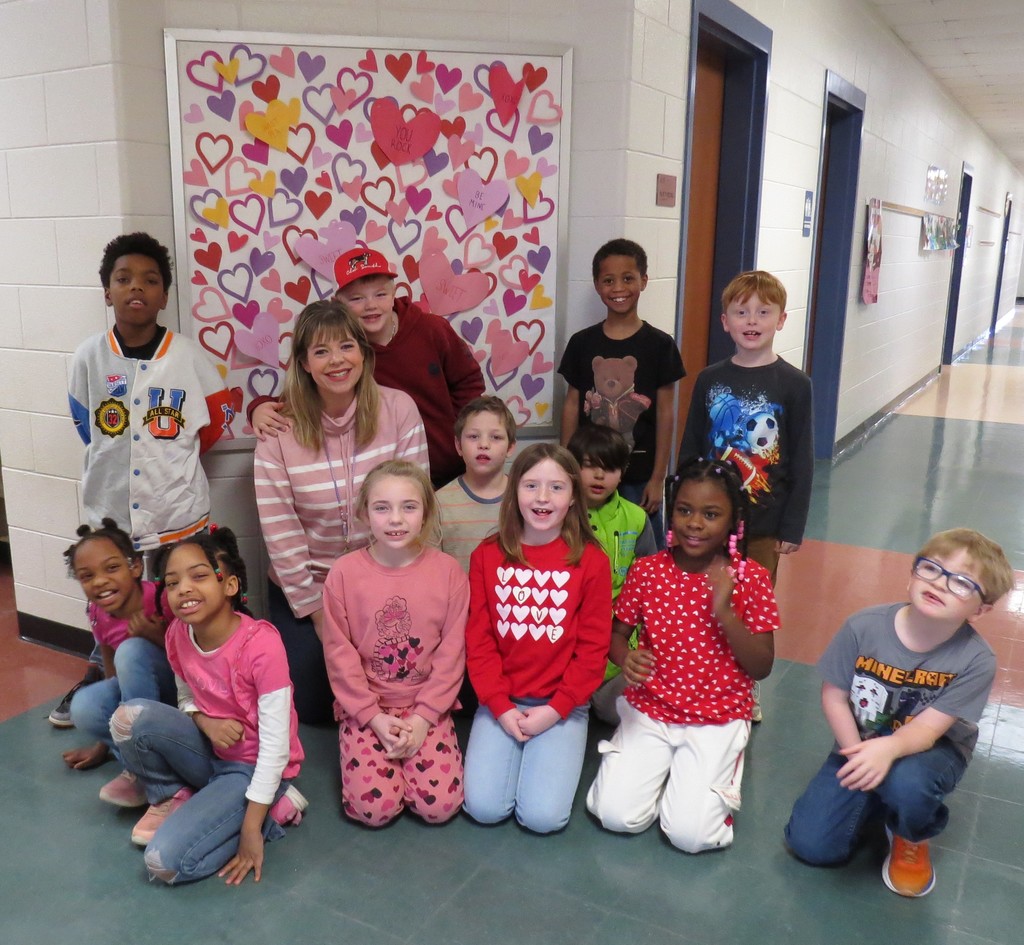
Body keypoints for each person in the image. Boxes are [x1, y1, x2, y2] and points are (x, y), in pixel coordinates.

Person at [61, 231, 239, 724]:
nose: (136, 288)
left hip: (176, 516)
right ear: (107, 291)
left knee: (178, 610)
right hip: (112, 519)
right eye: (123, 279)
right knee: (112, 609)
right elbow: (86, 424)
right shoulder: (88, 358)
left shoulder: (188, 356)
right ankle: (110, 681)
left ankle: (192, 698)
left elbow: (213, 424)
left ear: (164, 295)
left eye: (150, 280)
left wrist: (165, 459)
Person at [784, 528, 1013, 898]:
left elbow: (927, 729)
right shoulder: (863, 626)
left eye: (962, 583)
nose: (941, 584)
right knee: (812, 847)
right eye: (933, 569)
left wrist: (887, 752)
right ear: (912, 573)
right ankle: (880, 793)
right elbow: (834, 696)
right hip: (861, 740)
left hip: (933, 748)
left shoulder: (976, 660)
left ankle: (912, 831)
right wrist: (856, 754)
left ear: (981, 609)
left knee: (908, 783)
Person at [586, 458, 777, 853]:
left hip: (716, 716)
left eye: (711, 514)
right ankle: (667, 777)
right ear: (671, 512)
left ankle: (702, 781)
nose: (694, 523)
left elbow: (762, 666)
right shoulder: (646, 571)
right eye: (685, 510)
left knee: (692, 837)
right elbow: (617, 634)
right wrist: (625, 658)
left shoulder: (750, 578)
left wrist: (725, 612)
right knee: (614, 815)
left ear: (732, 520)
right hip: (652, 709)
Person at [254, 300, 428, 724]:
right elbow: (283, 538)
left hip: (385, 578)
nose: (337, 361)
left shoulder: (398, 409)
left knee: (397, 684)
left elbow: (415, 504)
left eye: (347, 347)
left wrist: (386, 593)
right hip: (311, 586)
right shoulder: (279, 432)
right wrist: (320, 616)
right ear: (304, 364)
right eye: (321, 351)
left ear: (364, 355)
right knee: (314, 706)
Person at [109, 528, 306, 886]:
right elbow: (186, 698)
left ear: (230, 586)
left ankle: (270, 810)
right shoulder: (177, 634)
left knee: (163, 862)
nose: (182, 588)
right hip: (209, 749)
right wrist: (205, 722)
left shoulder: (262, 646)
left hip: (252, 767)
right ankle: (172, 794)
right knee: (128, 719)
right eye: (172, 582)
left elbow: (276, 749)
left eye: (199, 576)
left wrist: (251, 831)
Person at [463, 443, 612, 834]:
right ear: (514, 493)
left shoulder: (591, 561)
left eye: (556, 488)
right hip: (502, 702)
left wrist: (556, 709)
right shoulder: (486, 556)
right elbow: (479, 642)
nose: (542, 498)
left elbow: (593, 652)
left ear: (573, 499)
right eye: (531, 486)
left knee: (543, 818)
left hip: (562, 706)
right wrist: (499, 706)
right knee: (483, 808)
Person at [251, 248, 484, 489]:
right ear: (338, 304)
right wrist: (259, 408)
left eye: (380, 294)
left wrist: (459, 440)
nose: (370, 305)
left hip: (453, 469)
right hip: (388, 481)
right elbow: (305, 391)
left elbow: (469, 383)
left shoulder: (432, 329)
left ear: (394, 294)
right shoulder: (344, 358)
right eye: (356, 298)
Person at [322, 461, 469, 826]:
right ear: (364, 513)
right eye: (382, 507)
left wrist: (422, 720)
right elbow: (340, 657)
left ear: (425, 513)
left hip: (427, 707)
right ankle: (385, 769)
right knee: (374, 811)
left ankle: (413, 767)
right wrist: (372, 718)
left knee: (439, 807)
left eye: (409, 506)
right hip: (368, 708)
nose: (395, 519)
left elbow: (452, 655)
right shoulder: (343, 573)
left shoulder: (448, 571)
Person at [677, 269, 813, 585]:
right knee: (700, 599)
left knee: (751, 608)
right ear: (726, 322)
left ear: (781, 320)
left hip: (763, 524)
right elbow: (691, 445)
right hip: (707, 518)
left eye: (763, 312)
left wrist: (792, 526)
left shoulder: (795, 385)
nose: (752, 321)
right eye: (741, 313)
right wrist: (682, 508)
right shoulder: (709, 379)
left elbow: (802, 461)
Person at [559, 238, 685, 547]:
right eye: (609, 280)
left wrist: (658, 478)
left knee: (642, 554)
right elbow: (572, 405)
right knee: (587, 547)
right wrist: (566, 468)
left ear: (643, 280)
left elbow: (667, 412)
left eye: (628, 278)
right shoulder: (582, 343)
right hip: (589, 471)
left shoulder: (660, 345)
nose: (619, 288)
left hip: (640, 475)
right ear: (597, 285)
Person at [60, 519, 176, 807]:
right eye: (87, 576)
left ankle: (158, 774)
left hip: (178, 700)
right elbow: (113, 675)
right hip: (136, 705)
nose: (99, 581)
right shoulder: (98, 612)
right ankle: (139, 768)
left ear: (135, 567)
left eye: (112, 568)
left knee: (132, 650)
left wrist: (155, 635)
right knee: (84, 706)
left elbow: (195, 661)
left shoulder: (161, 600)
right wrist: (102, 747)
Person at [566, 423, 656, 725]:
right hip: (567, 658)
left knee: (626, 709)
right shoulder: (556, 515)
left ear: (623, 470)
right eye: (589, 466)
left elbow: (651, 584)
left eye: (610, 468)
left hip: (617, 656)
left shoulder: (636, 517)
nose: (600, 476)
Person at [436, 395, 518, 573]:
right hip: (459, 599)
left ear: (510, 447)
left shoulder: (524, 498)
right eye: (473, 436)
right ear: (458, 445)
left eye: (495, 437)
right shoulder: (438, 503)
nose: (484, 444)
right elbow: (431, 569)